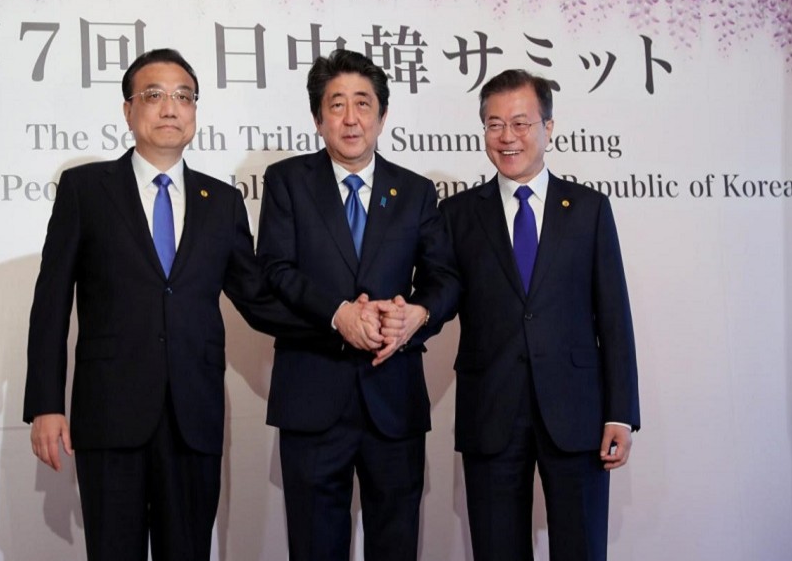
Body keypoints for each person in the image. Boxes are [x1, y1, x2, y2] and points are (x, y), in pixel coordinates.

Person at [23, 48, 311, 561]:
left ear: (195, 111)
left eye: (184, 96)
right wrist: (46, 404)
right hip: (109, 412)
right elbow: (50, 302)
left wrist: (337, 320)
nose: (170, 108)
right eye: (153, 95)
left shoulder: (220, 201)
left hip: (192, 415)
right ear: (128, 110)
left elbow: (256, 297)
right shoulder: (86, 190)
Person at [256, 49, 460, 561]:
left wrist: (418, 315)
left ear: (383, 115)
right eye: (337, 105)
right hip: (312, 395)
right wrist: (338, 314)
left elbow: (445, 279)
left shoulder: (414, 192)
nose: (351, 118)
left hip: (392, 399)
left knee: (395, 543)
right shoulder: (287, 182)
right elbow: (275, 270)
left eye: (363, 104)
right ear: (318, 118)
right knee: (314, 544)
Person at [440, 69, 640, 561]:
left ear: (549, 128)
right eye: (494, 124)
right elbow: (441, 294)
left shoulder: (589, 210)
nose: (507, 137)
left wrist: (621, 412)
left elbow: (613, 314)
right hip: (491, 410)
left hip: (576, 412)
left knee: (581, 549)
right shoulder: (458, 215)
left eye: (521, 123)